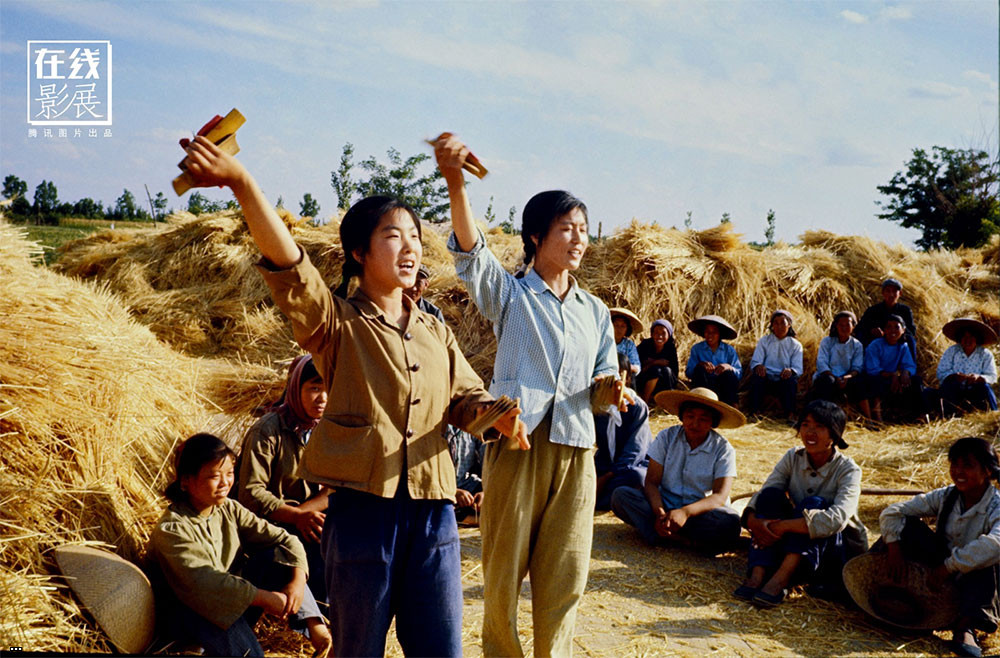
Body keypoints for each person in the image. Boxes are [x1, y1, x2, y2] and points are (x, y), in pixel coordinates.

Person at [181, 133, 525, 657]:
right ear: (359, 253)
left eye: (415, 236)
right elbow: (290, 268)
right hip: (363, 516)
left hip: (434, 513)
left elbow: (464, 396)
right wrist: (242, 183)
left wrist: (493, 415)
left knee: (441, 648)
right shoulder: (336, 324)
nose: (410, 247)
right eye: (393, 236)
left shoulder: (434, 330)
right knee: (359, 648)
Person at [435, 134, 619, 658]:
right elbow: (472, 255)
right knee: (503, 572)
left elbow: (604, 377)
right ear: (536, 236)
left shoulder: (594, 311)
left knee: (566, 575)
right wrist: (456, 182)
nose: (579, 239)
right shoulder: (512, 296)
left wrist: (613, 390)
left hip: (576, 451)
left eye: (583, 229)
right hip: (518, 444)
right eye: (567, 228)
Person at [149, 433, 330, 658]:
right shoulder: (172, 529)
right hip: (196, 613)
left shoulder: (228, 508)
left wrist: (298, 582)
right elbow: (207, 584)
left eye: (229, 473)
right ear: (185, 481)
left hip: (231, 602)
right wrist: (265, 598)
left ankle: (317, 629)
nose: (225, 483)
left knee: (273, 556)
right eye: (214, 476)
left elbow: (286, 540)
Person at [734, 400, 869, 607]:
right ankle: (758, 574)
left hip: (832, 549)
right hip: (793, 540)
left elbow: (836, 520)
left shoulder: (848, 470)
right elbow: (767, 489)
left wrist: (781, 526)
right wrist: (753, 520)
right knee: (770, 496)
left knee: (814, 503)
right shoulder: (793, 456)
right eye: (805, 425)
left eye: (819, 427)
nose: (810, 432)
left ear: (833, 435)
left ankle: (781, 579)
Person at [878, 437, 1000, 657]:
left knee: (987, 558)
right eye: (955, 464)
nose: (958, 472)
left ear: (987, 471)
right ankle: (885, 589)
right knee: (908, 527)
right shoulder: (946, 496)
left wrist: (949, 566)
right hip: (937, 575)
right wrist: (894, 547)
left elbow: (995, 544)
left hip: (975, 582)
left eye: (967, 465)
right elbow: (893, 512)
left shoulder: (996, 505)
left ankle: (965, 627)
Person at [237, 354, 330, 607]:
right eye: (314, 388)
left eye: (328, 389)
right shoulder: (268, 430)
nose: (323, 398)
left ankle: (325, 612)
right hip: (268, 522)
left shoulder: (328, 429)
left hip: (303, 517)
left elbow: (336, 486)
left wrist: (305, 515)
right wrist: (295, 516)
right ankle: (308, 616)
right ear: (295, 388)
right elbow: (250, 493)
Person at [611, 387, 743, 555]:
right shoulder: (666, 437)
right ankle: (681, 538)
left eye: (703, 419)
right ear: (682, 416)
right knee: (621, 496)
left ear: (713, 422)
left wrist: (685, 513)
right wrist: (659, 513)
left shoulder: (723, 449)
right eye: (690, 416)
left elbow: (719, 496)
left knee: (730, 522)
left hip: (699, 513)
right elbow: (651, 482)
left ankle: (665, 535)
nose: (695, 424)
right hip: (664, 505)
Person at [595, 354, 652, 510]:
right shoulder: (598, 405)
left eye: (619, 376)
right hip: (606, 465)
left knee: (637, 477)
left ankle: (604, 497)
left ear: (627, 379)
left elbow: (635, 452)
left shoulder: (637, 407)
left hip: (631, 467)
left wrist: (607, 476)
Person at [862, 315, 923, 423]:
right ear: (884, 330)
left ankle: (916, 416)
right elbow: (872, 368)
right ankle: (878, 419)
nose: (892, 330)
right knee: (874, 382)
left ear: (903, 330)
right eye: (889, 327)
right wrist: (892, 374)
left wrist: (905, 372)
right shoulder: (875, 345)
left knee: (916, 381)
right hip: (878, 376)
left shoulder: (903, 346)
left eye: (896, 327)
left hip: (893, 378)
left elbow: (909, 365)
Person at [747, 310, 803, 420]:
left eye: (783, 323)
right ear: (772, 325)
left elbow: (798, 368)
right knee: (757, 377)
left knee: (791, 381)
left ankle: (790, 414)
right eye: (776, 323)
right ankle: (754, 412)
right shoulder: (764, 341)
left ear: (789, 325)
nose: (779, 326)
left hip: (783, 379)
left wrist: (790, 371)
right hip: (766, 377)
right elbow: (756, 361)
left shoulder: (795, 345)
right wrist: (759, 366)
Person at [936, 318, 998, 414]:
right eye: (964, 337)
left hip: (975, 392)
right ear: (960, 338)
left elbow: (992, 376)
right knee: (948, 386)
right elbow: (941, 372)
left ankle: (994, 415)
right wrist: (954, 376)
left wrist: (978, 377)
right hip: (955, 391)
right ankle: (947, 415)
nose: (967, 340)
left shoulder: (985, 354)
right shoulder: (952, 351)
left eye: (971, 337)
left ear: (977, 338)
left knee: (985, 387)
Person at [810, 310, 866, 411]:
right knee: (827, 381)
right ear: (836, 326)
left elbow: (857, 367)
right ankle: (823, 411)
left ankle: (868, 417)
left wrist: (846, 377)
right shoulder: (827, 341)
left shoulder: (857, 345)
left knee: (861, 382)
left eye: (847, 324)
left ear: (853, 326)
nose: (844, 328)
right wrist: (835, 377)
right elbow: (822, 363)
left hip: (846, 378)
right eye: (841, 325)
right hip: (829, 376)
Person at [685, 315, 742, 406]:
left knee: (729, 374)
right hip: (704, 387)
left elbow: (739, 374)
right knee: (699, 370)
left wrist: (728, 367)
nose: (710, 335)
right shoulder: (696, 349)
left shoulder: (729, 350)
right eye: (707, 331)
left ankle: (732, 406)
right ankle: (700, 403)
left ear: (720, 334)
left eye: (714, 332)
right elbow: (689, 373)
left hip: (723, 387)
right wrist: (700, 365)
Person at [855, 278, 917, 360]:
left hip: (898, 341)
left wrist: (897, 333)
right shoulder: (873, 310)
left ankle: (911, 366)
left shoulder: (905, 310)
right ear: (883, 293)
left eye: (894, 291)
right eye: (888, 291)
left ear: (900, 293)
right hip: (877, 341)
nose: (891, 294)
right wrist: (872, 331)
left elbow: (912, 331)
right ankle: (862, 363)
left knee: (911, 340)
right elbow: (859, 328)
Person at [446, 423, 486, 524]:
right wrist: (454, 492)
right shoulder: (435, 426)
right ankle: (467, 519)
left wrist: (485, 492)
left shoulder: (474, 425)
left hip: (465, 485)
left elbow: (487, 465)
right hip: (440, 488)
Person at [636, 318, 680, 403]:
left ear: (669, 335)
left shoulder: (670, 348)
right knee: (655, 370)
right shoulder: (645, 345)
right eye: (656, 333)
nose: (660, 336)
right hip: (645, 381)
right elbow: (639, 368)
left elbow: (675, 373)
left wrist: (652, 362)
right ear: (652, 334)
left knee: (666, 370)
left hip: (664, 383)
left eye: (663, 333)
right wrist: (655, 363)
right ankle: (645, 400)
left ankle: (667, 401)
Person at [610, 307, 642, 375]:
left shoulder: (629, 344)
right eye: (616, 325)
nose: (619, 329)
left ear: (627, 329)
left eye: (623, 326)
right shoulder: (604, 341)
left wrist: (624, 366)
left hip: (623, 375)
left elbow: (637, 368)